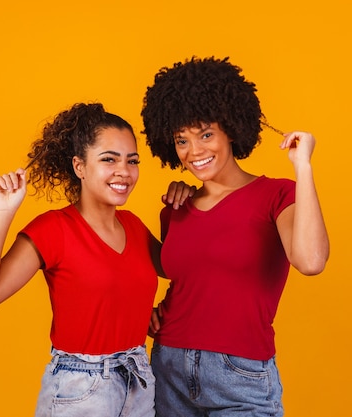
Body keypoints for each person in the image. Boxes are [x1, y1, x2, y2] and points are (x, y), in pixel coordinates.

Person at [0, 102, 192, 417]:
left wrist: (181, 209)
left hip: (138, 379)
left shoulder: (134, 226)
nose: (124, 171)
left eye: (132, 160)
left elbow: (184, 268)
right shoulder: (53, 229)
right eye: (108, 159)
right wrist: (3, 213)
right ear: (79, 166)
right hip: (80, 389)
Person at [141, 56, 330, 416]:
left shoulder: (277, 196)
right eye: (182, 140)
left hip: (239, 375)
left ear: (231, 127)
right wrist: (141, 313)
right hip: (168, 368)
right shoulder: (176, 207)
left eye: (206, 134)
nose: (194, 152)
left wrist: (303, 166)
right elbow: (177, 273)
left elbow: (310, 261)